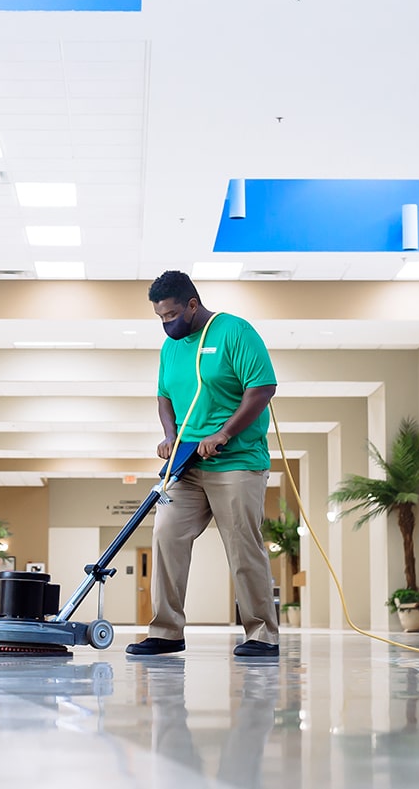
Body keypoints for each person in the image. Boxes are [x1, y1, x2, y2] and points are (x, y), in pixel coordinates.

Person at [127, 270, 281, 658]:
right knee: (165, 535)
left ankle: (262, 634)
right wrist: (169, 435)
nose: (167, 323)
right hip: (187, 465)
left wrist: (224, 433)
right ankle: (166, 631)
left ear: (192, 305)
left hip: (237, 462)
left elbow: (261, 387)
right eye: (160, 317)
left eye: (172, 314)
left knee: (243, 545)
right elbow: (164, 396)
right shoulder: (172, 349)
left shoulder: (234, 331)